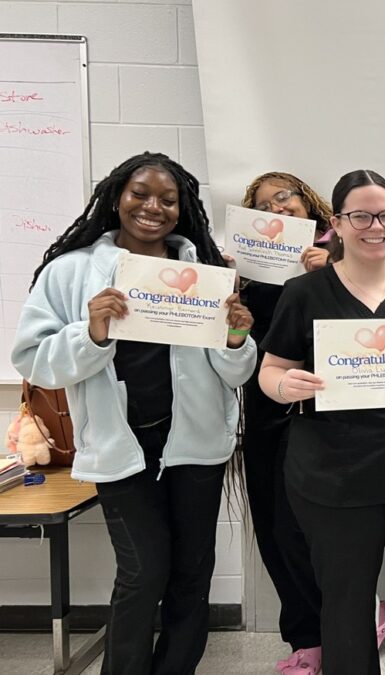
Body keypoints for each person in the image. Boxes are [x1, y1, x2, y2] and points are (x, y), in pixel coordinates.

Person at [12, 152, 256, 675]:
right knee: (144, 571)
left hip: (195, 446)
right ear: (116, 197)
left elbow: (234, 374)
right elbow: (32, 360)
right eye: (140, 194)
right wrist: (91, 333)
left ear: (182, 208)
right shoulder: (70, 271)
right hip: (121, 446)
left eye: (168, 199)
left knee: (192, 573)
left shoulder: (205, 274)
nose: (153, 207)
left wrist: (236, 337)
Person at [257, 169, 385, 674]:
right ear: (336, 223)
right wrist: (285, 387)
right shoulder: (304, 292)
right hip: (335, 478)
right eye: (361, 217)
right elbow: (271, 370)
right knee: (346, 605)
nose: (376, 227)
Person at [238, 171, 340, 675]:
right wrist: (228, 288)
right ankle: (306, 638)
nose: (276, 209)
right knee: (273, 528)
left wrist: (333, 271)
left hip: (323, 407)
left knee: (311, 527)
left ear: (306, 202)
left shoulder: (343, 249)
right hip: (264, 407)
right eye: (263, 206)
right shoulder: (247, 265)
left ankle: (349, 620)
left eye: (284, 197)